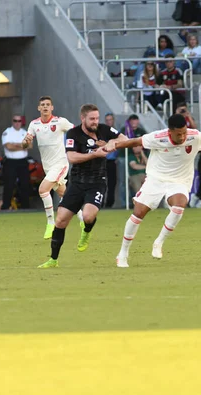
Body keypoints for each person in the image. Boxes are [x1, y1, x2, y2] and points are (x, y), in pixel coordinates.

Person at [106, 114, 201, 268]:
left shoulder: (195, 136)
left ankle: (159, 242)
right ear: (170, 131)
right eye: (179, 134)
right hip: (156, 179)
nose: (183, 136)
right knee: (138, 213)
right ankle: (123, 253)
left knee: (179, 206)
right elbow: (135, 141)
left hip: (179, 181)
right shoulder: (158, 137)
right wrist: (114, 145)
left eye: (184, 132)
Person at [35, 104, 127, 269]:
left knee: (88, 216)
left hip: (97, 182)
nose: (95, 122)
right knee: (61, 220)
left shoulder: (104, 130)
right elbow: (71, 157)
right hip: (77, 182)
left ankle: (86, 232)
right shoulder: (73, 134)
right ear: (83, 118)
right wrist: (94, 153)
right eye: (92, 119)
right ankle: (53, 260)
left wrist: (113, 142)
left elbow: (125, 139)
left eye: (97, 118)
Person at [23, 96, 78, 240]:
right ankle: (84, 219)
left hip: (60, 163)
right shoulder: (34, 124)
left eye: (48, 104)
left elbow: (76, 131)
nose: (45, 107)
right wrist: (25, 142)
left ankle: (50, 223)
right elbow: (27, 145)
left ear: (52, 107)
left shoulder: (60, 122)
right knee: (65, 195)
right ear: (39, 108)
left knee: (43, 189)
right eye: (43, 105)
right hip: (48, 166)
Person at [0, 114, 31, 210]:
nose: (17, 123)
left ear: (22, 122)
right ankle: (5, 207)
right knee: (9, 185)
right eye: (15, 121)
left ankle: (26, 208)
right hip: (10, 162)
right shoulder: (7, 132)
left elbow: (30, 146)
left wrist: (15, 144)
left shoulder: (25, 132)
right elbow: (8, 147)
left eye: (19, 121)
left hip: (23, 162)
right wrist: (22, 145)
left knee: (25, 185)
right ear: (12, 121)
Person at [104, 113, 118, 208]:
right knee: (101, 182)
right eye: (107, 120)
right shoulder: (102, 132)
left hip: (112, 161)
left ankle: (109, 203)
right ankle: (99, 203)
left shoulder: (116, 133)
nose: (109, 122)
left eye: (110, 120)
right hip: (102, 160)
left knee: (112, 183)